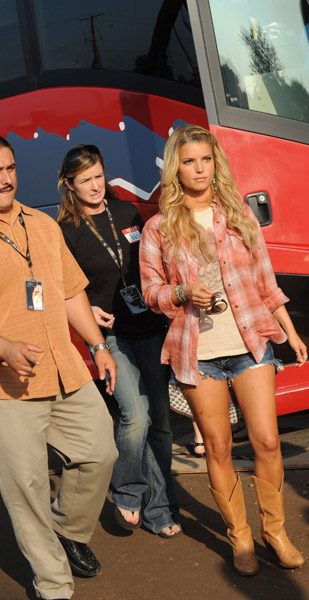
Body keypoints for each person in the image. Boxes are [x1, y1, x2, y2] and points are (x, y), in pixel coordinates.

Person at [139, 124, 308, 576]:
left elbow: (266, 285)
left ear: (216, 164)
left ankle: (275, 531)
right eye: (189, 160)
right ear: (177, 167)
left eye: (206, 159)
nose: (199, 169)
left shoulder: (239, 216)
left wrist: (289, 333)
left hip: (250, 343)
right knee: (216, 448)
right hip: (197, 350)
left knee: (267, 441)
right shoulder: (158, 228)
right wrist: (181, 294)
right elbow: (151, 291)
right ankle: (240, 537)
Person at [0, 136, 118, 600]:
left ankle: (67, 531)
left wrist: (98, 345)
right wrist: (4, 347)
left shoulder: (43, 224)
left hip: (64, 367)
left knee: (99, 451)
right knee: (26, 488)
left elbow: (70, 291)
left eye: (8, 167)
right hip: (8, 386)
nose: (4, 179)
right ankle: (53, 584)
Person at [56, 144, 181, 538]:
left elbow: (154, 263)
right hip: (113, 337)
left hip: (151, 328)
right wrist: (89, 309)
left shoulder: (127, 212)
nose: (95, 186)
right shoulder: (65, 232)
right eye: (85, 180)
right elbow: (63, 289)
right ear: (69, 185)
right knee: (136, 416)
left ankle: (159, 511)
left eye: (98, 176)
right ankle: (127, 490)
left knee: (160, 425)